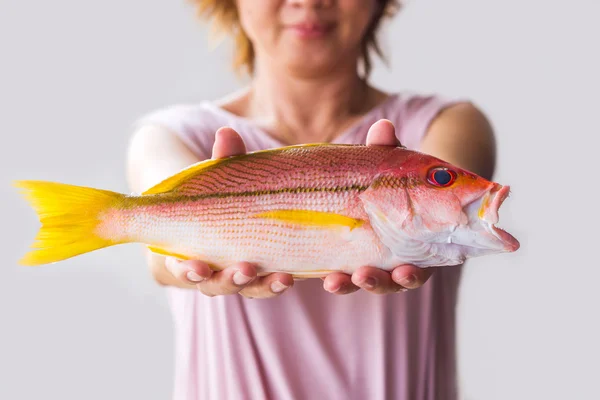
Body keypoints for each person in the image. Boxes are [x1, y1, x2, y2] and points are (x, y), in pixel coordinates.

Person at [126, 1, 496, 399]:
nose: (309, 2)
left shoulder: (447, 123)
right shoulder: (171, 134)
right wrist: (180, 263)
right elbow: (159, 250)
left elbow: (449, 221)